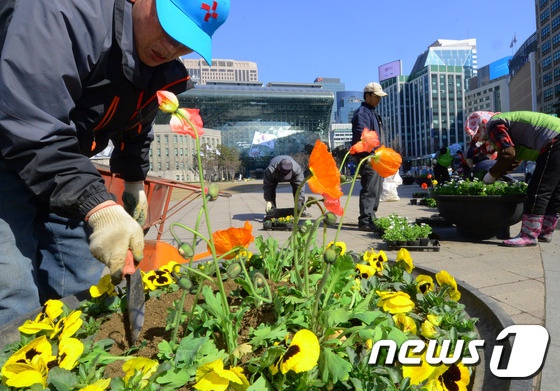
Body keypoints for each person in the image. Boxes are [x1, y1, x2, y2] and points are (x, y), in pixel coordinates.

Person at [0, 0, 230, 326]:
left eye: (186, 41)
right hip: (12, 141)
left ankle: (78, 368)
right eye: (169, 27)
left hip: (57, 159)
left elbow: (137, 119)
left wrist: (135, 180)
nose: (172, 47)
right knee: (12, 288)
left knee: (87, 276)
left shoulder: (151, 64)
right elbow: (29, 122)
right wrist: (98, 206)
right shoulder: (60, 12)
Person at [470, 111, 560, 247]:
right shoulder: (509, 122)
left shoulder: (494, 124)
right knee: (554, 190)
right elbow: (515, 158)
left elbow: (507, 153)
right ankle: (544, 232)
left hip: (554, 141)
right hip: (555, 138)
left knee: (538, 190)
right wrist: (500, 173)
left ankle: (529, 235)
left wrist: (491, 176)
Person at [351, 82, 387, 232]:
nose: (379, 99)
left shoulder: (372, 112)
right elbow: (363, 135)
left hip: (376, 157)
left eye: (380, 97)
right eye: (376, 96)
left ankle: (371, 216)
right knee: (370, 189)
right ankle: (365, 220)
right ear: (367, 96)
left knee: (377, 189)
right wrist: (371, 154)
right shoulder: (363, 113)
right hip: (369, 157)